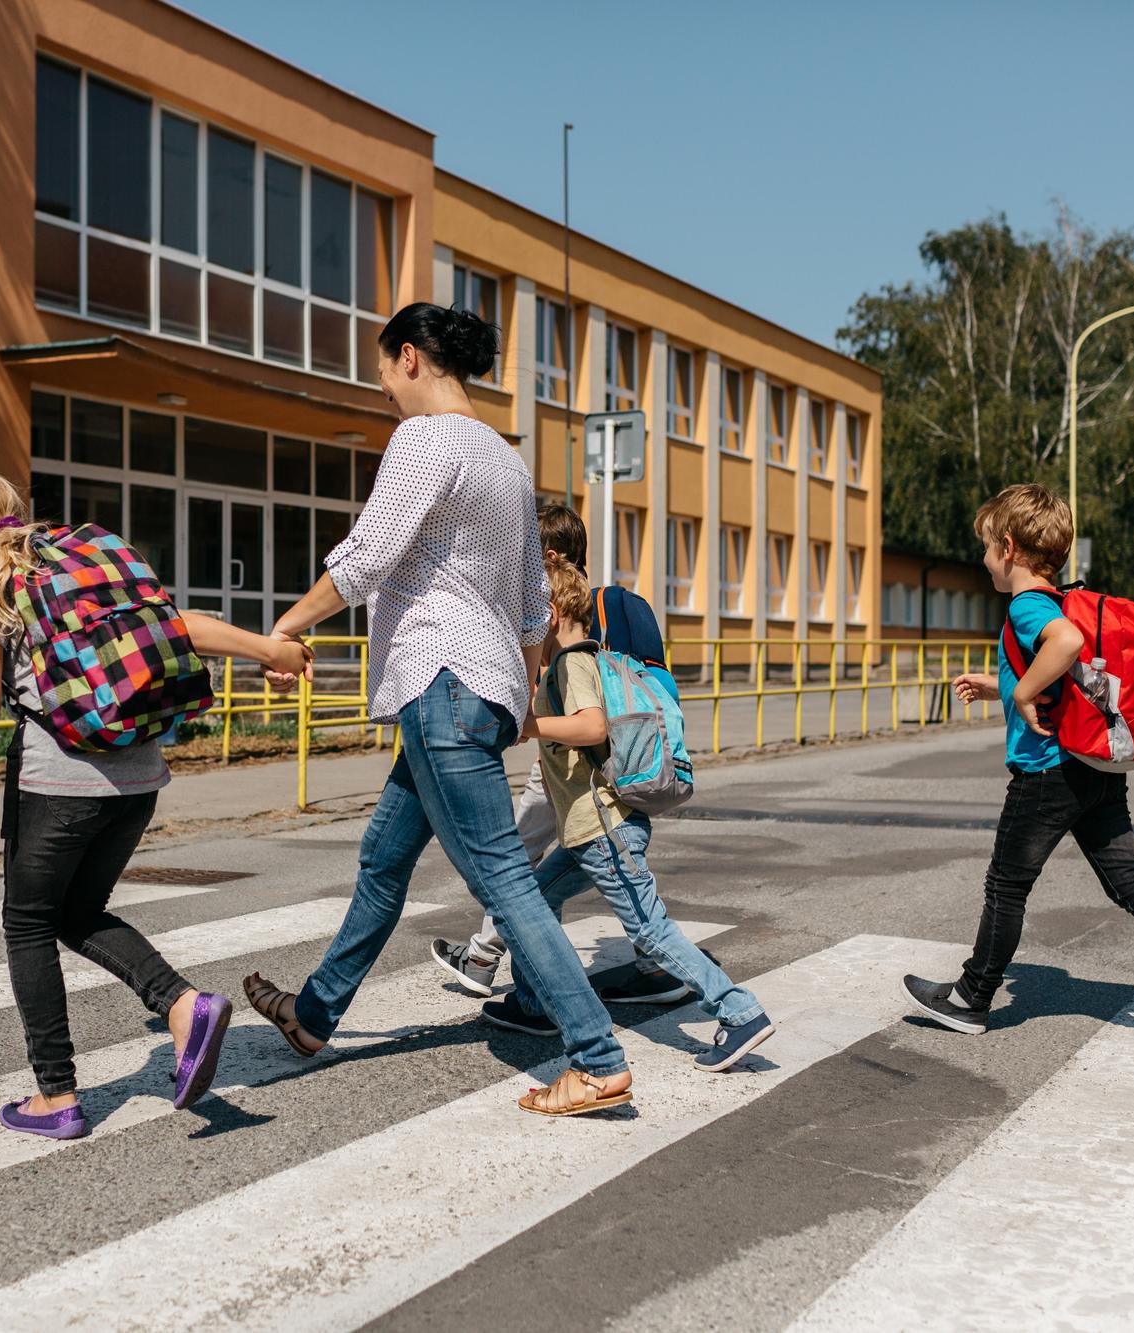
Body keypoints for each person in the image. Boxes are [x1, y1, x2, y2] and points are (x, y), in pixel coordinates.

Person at [240, 302, 634, 1117]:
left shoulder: (424, 441)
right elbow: (532, 604)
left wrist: (283, 627)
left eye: (384, 369)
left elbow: (367, 558)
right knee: (385, 860)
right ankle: (314, 1016)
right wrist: (523, 693)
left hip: (441, 684)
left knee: (501, 877)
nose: (383, 386)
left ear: (411, 358)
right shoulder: (507, 460)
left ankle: (595, 1055)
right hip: (478, 690)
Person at [0, 462, 313, 1139]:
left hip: (61, 781)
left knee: (27, 923)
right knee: (75, 912)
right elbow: (179, 625)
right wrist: (268, 649)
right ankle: (183, 1004)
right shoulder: (81, 559)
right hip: (137, 781)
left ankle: (56, 1095)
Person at [902, 483, 1134, 1054]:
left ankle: (971, 998)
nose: (985, 558)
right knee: (1131, 884)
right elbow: (1064, 675)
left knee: (1006, 887)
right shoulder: (1068, 598)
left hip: (1047, 773)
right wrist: (1003, 684)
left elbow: (1064, 646)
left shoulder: (1029, 605)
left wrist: (1021, 699)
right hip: (1094, 768)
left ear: (1009, 548)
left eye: (988, 547)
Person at [486, 553, 776, 1070]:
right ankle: (536, 1003)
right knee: (527, 904)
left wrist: (528, 727)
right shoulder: (569, 663)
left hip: (605, 830)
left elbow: (593, 728)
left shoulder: (575, 661)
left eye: (526, 612)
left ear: (550, 613)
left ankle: (740, 1013)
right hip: (588, 833)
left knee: (649, 931)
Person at [427, 502, 689, 1006]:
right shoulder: (616, 605)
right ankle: (647, 964)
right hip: (615, 757)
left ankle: (494, 963)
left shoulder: (561, 610)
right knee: (596, 857)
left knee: (520, 854)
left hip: (574, 754)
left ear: (547, 554)